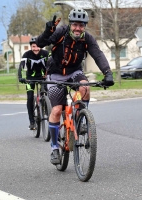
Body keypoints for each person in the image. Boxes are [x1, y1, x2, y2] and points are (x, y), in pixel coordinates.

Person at [36, 8, 114, 165]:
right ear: (70, 24)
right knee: (57, 110)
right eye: (75, 25)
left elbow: (98, 54)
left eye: (81, 25)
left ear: (85, 26)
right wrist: (47, 31)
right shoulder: (60, 32)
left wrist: (108, 73)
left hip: (74, 72)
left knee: (85, 87)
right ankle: (54, 149)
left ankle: (80, 119)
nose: (78, 28)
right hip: (56, 73)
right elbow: (40, 43)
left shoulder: (87, 39)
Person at [18, 37, 49, 130]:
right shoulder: (27, 54)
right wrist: (20, 77)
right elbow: (21, 67)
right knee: (30, 98)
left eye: (38, 46)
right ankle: (32, 122)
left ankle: (47, 110)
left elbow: (52, 64)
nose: (36, 49)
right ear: (31, 46)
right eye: (33, 46)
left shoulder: (46, 54)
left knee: (47, 94)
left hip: (43, 78)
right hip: (30, 79)